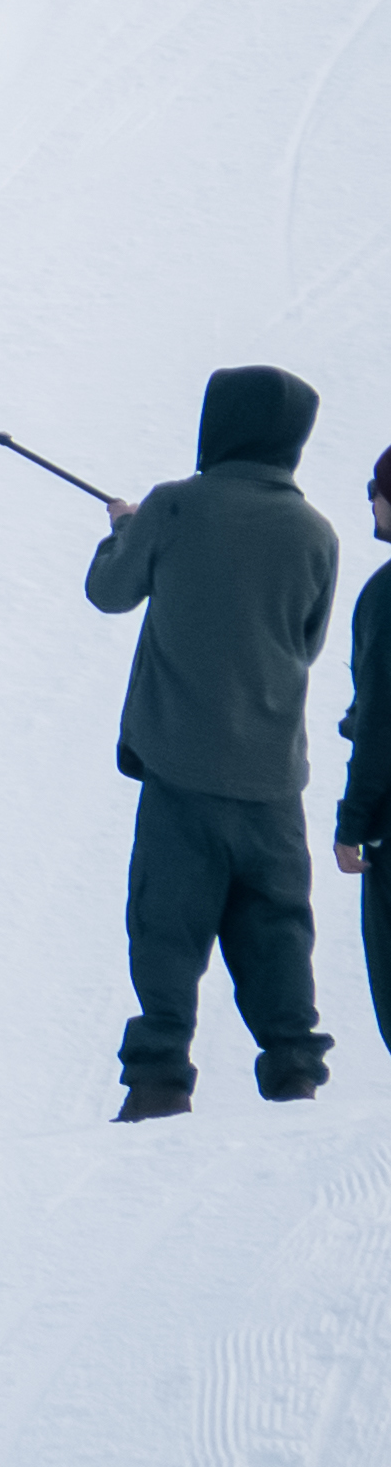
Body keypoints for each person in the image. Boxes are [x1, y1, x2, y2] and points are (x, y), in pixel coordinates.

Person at [86, 366, 344, 1119]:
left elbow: (109, 592)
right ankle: (295, 1075)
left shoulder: (173, 506)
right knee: (278, 929)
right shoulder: (317, 533)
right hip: (273, 779)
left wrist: (124, 533)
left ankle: (160, 1082)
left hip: (180, 769)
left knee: (166, 924)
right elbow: (308, 641)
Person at [326, 447, 391, 1047]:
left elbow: (381, 725)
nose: (372, 499)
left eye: (376, 487)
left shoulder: (385, 596)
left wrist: (353, 824)